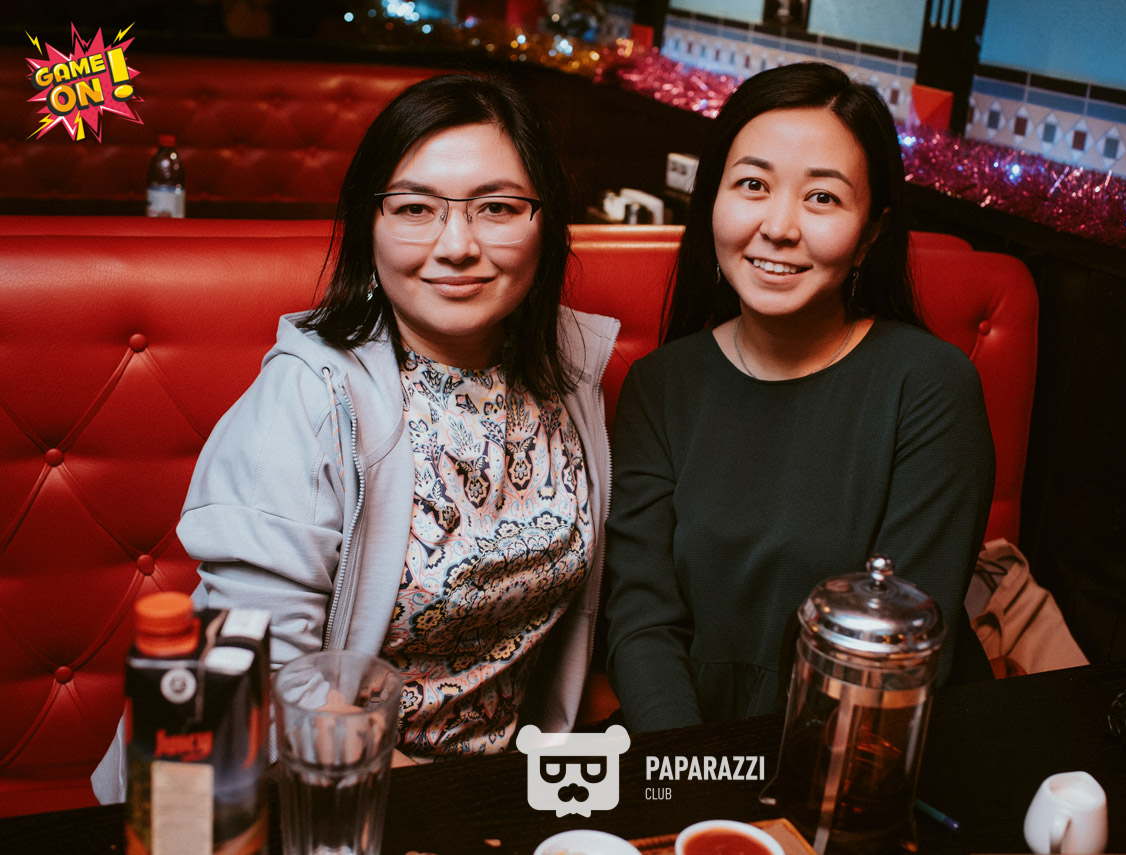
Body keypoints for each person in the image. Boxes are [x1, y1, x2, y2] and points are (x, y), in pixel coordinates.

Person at [94, 73, 618, 799]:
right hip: (307, 796)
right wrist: (444, 807)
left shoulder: (570, 368)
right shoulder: (307, 399)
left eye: (498, 207)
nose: (457, 245)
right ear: (369, 225)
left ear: (546, 221)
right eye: (415, 208)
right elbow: (264, 682)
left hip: (503, 791)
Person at [604, 62, 995, 732]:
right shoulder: (660, 384)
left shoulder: (930, 385)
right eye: (753, 185)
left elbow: (896, 651)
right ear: (712, 201)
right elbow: (642, 623)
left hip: (864, 746)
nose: (780, 226)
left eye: (822, 197)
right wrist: (691, 769)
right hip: (683, 739)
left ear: (871, 233)